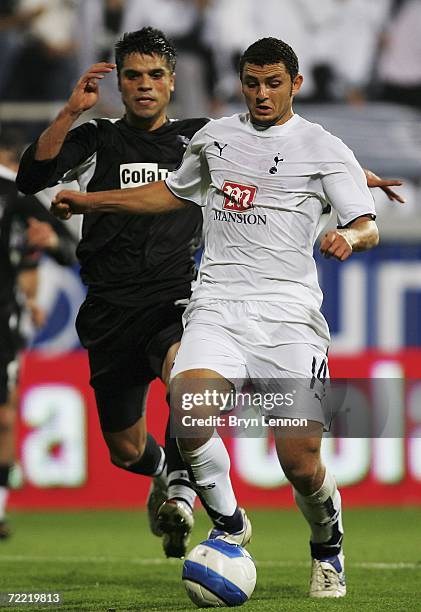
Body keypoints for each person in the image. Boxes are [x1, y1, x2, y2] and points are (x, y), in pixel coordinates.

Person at [48, 37, 403, 599]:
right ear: (240, 82)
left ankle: (327, 546)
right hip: (216, 305)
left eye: (274, 84)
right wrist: (90, 202)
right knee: (189, 410)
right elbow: (171, 195)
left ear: (296, 85)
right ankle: (232, 525)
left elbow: (368, 222)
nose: (262, 94)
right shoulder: (214, 137)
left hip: (288, 317)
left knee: (301, 464)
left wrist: (348, 236)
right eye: (253, 83)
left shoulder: (324, 147)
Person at [17, 27, 209, 558]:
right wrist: (69, 113)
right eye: (133, 76)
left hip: (176, 297)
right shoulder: (96, 138)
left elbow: (281, 160)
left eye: (154, 75)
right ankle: (162, 471)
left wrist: (351, 178)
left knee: (187, 385)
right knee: (126, 451)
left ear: (171, 83)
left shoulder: (202, 139)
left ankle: (186, 494)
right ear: (120, 85)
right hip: (108, 309)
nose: (144, 85)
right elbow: (32, 176)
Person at [0, 130, 77, 539]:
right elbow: (64, 249)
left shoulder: (18, 201)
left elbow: (57, 252)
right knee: (5, 415)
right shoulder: (19, 195)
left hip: (6, 316)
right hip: (9, 314)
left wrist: (27, 299)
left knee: (5, 413)